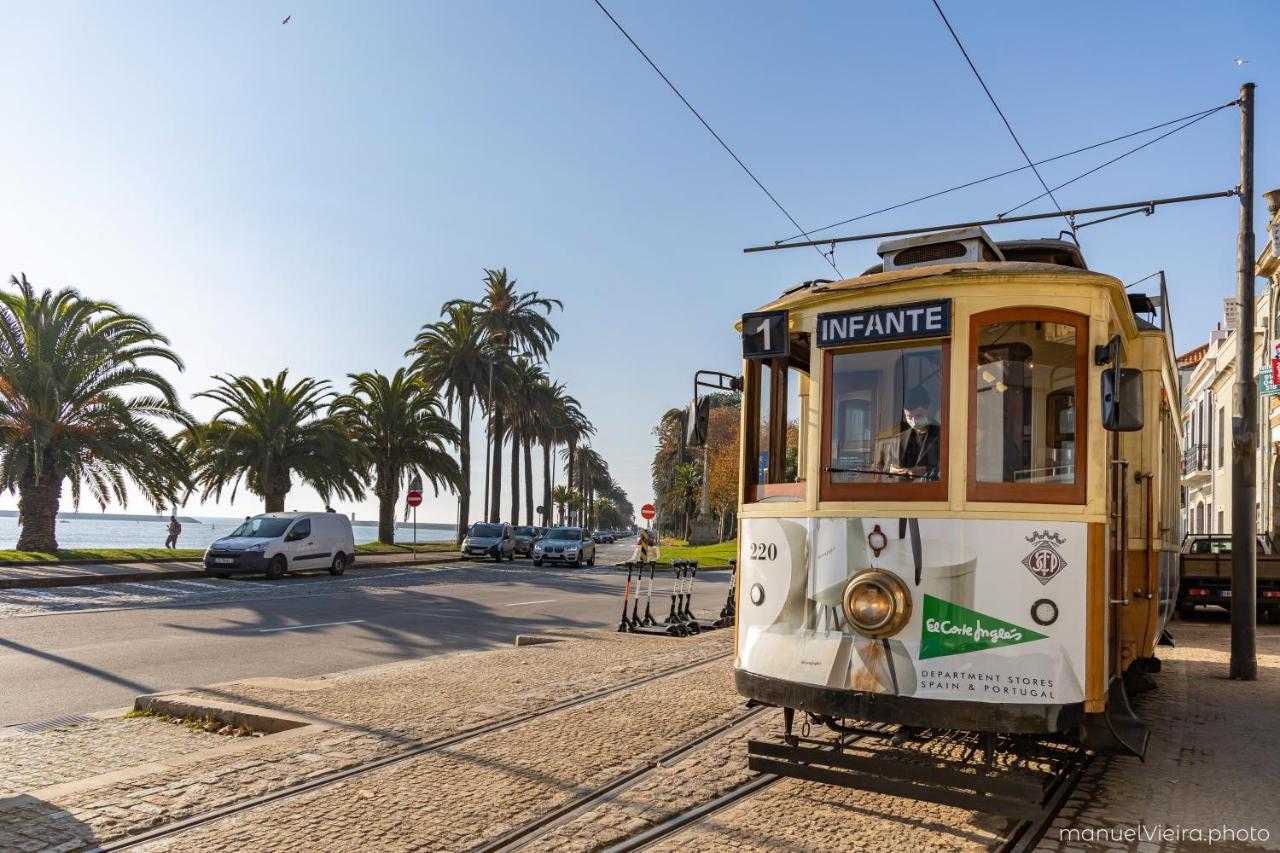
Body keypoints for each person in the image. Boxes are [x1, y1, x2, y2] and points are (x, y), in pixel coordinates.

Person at [889, 388, 941, 481]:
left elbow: (953, 468)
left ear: (929, 408)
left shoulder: (944, 435)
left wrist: (926, 471)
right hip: (902, 493)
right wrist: (891, 471)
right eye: (909, 417)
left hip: (933, 492)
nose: (913, 421)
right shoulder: (897, 440)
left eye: (918, 415)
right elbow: (886, 469)